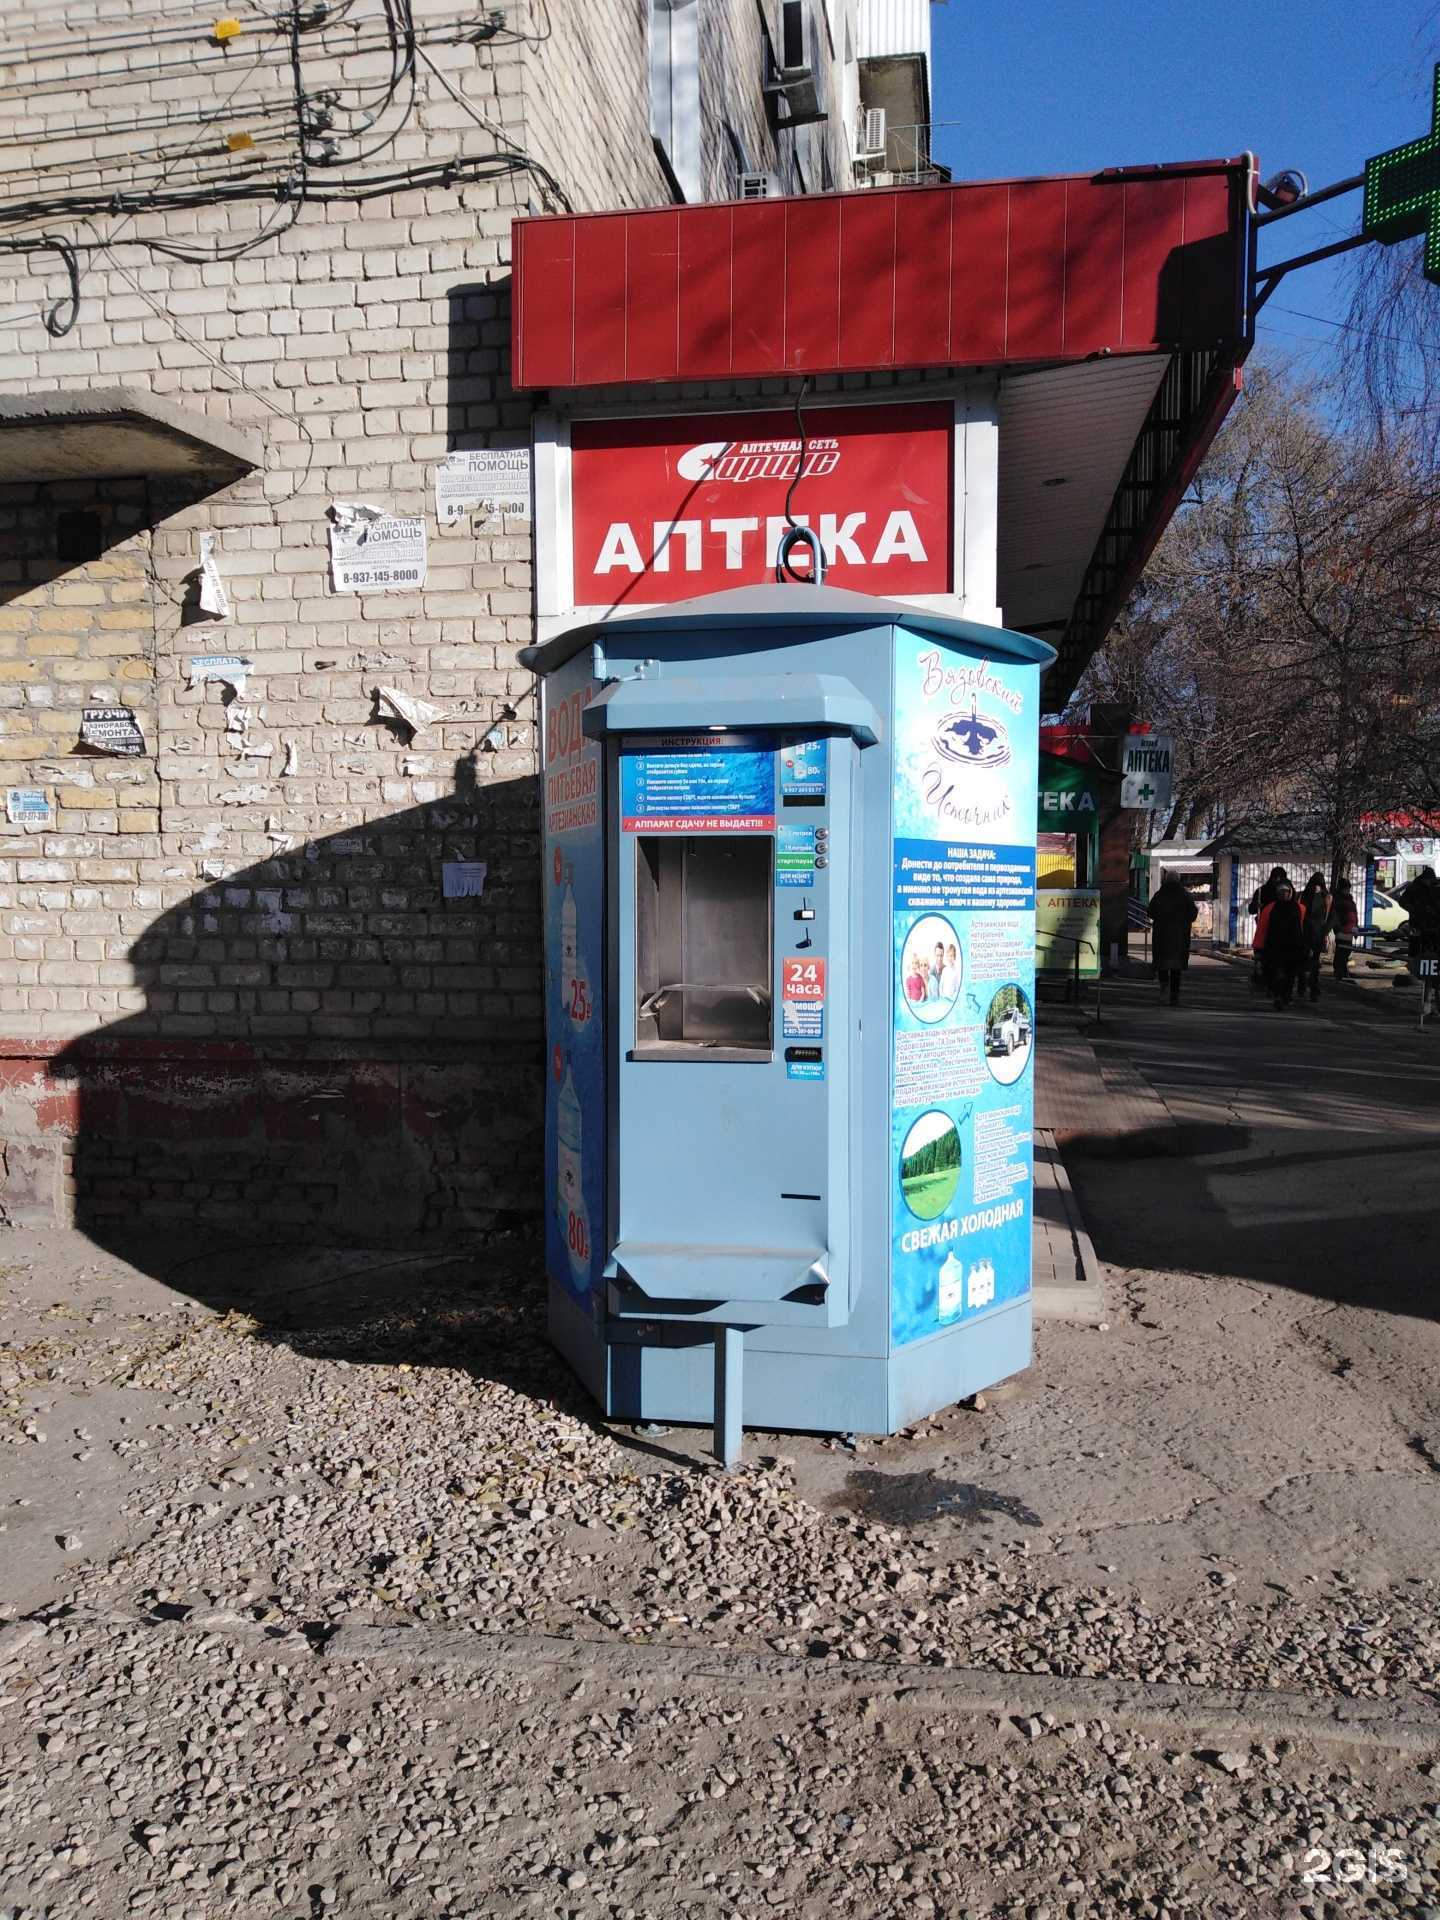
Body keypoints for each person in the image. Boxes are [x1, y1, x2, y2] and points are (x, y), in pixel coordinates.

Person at [1147, 872, 1198, 1006]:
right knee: (1176, 967)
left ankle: (1163, 989)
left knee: (1162, 964)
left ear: (1166, 880)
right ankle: (1174, 996)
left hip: (1161, 936)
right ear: (1178, 880)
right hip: (1179, 937)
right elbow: (1193, 915)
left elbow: (1150, 912)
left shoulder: (1159, 895)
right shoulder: (1186, 895)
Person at [1255, 879, 1307, 1009]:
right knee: (1275, 972)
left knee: (1290, 974)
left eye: (1287, 891)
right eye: (1281, 891)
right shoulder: (1270, 908)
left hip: (1293, 946)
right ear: (1277, 893)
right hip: (1274, 946)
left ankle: (1286, 996)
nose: (1284, 894)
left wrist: (1307, 944)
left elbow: (1304, 927)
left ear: (1291, 892)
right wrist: (1258, 947)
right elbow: (1262, 928)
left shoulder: (1300, 908)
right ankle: (1278, 995)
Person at [1247, 867, 1289, 989]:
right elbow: (1251, 909)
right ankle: (1264, 980)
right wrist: (1256, 905)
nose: (1277, 880)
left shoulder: (1287, 893)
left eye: (1280, 878)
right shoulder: (1262, 891)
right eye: (1275, 877)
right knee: (1264, 956)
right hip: (1265, 928)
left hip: (1281, 930)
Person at [1299, 872, 1332, 1003]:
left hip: (1318, 934)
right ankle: (1303, 984)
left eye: (1319, 885)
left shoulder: (1326, 897)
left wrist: (1327, 930)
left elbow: (1330, 916)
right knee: (1303, 960)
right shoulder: (1304, 896)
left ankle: (1313, 987)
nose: (1316, 887)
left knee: (1314, 962)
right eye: (1315, 885)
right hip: (1305, 932)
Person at [1329, 880, 1359, 979]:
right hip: (1342, 931)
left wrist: (1356, 927)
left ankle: (1343, 971)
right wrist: (1339, 928)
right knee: (1341, 953)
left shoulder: (1350, 900)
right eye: (1345, 889)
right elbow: (1335, 916)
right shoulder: (1338, 900)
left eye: (1348, 889)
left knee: (1346, 953)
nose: (1347, 890)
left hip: (1350, 930)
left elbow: (1354, 914)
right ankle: (1339, 972)